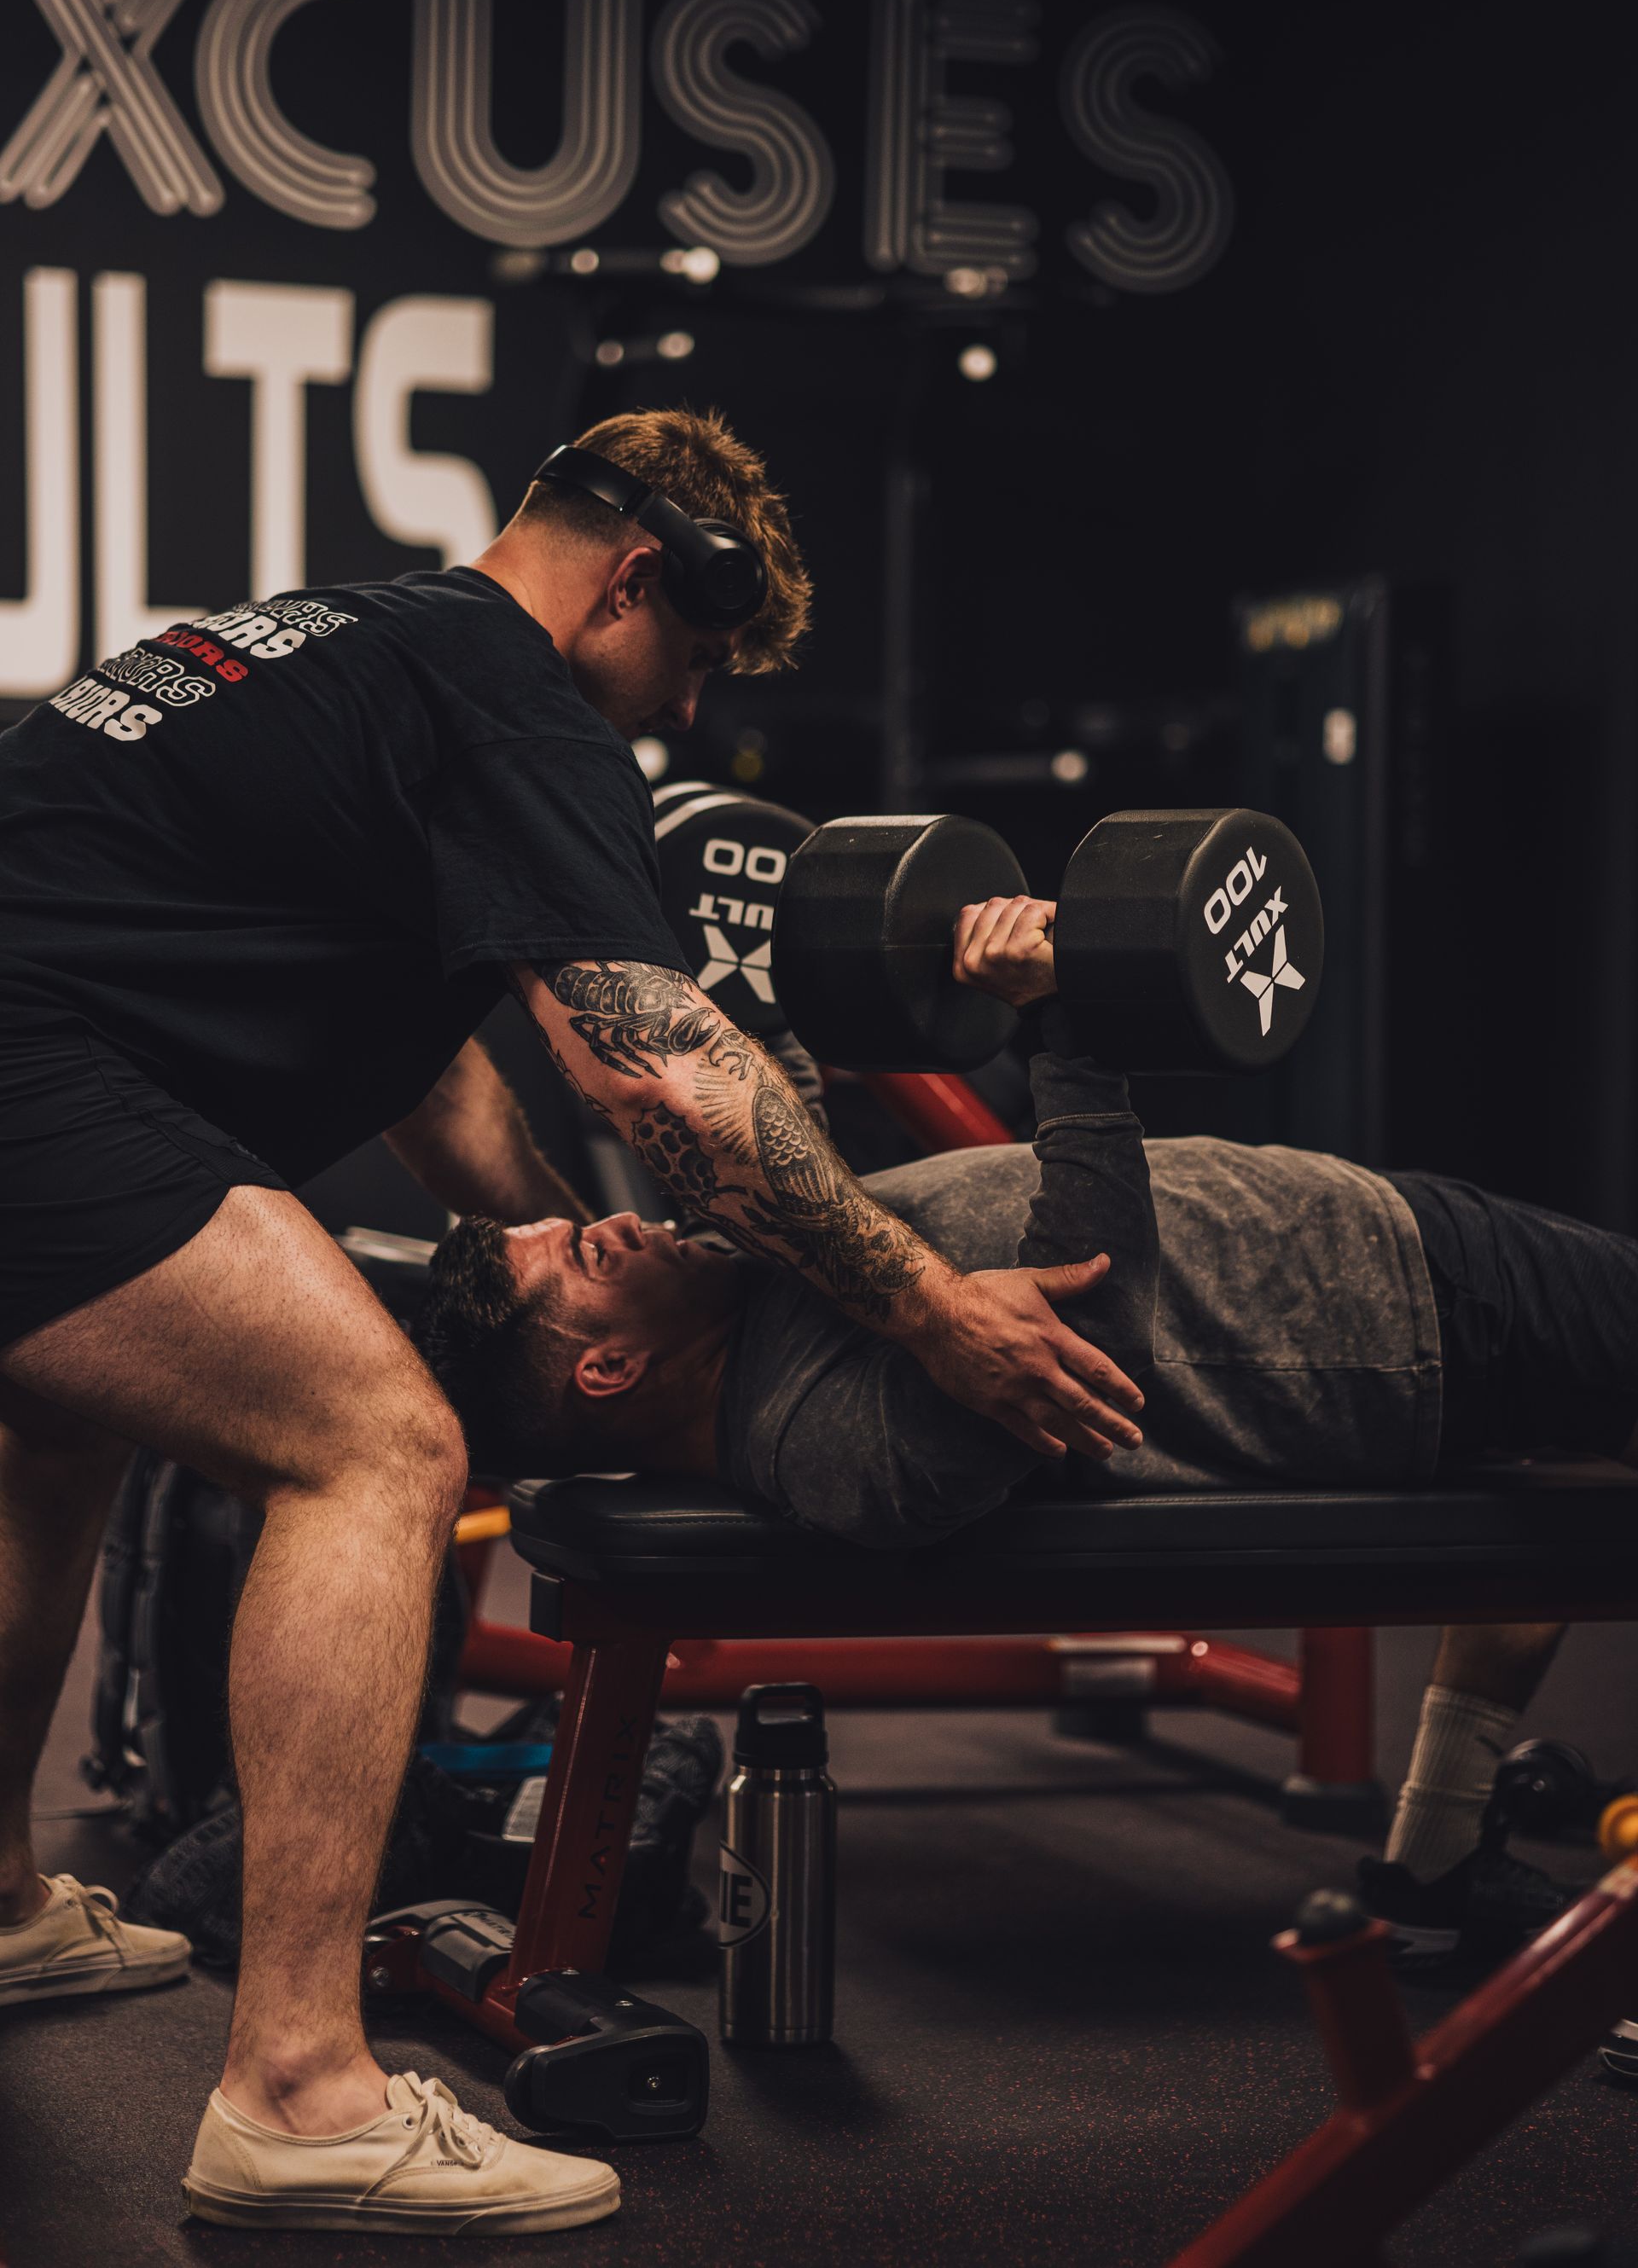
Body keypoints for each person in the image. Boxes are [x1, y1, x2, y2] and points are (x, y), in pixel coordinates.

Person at [0, 412, 1143, 2239]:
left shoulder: (349, 643)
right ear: (635, 582)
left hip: (43, 1063)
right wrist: (929, 1310)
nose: (679, 717)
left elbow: (440, 1063)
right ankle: (299, 2092)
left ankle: (0, 1905)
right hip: (38, 1077)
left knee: (54, 1420)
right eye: (690, 662)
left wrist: (529, 1231)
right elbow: (667, 1067)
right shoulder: (517, 699)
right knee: (373, 1442)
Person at [416, 893, 1638, 1974]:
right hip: (1407, 1320)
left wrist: (800, 963)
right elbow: (1089, 1315)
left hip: (1385, 1256)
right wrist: (1070, 1022)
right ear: (611, 1367)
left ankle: (1432, 1868)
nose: (612, 1227)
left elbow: (785, 1122)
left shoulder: (742, 1290)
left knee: (1568, 1496)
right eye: (583, 1256)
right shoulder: (831, 1452)